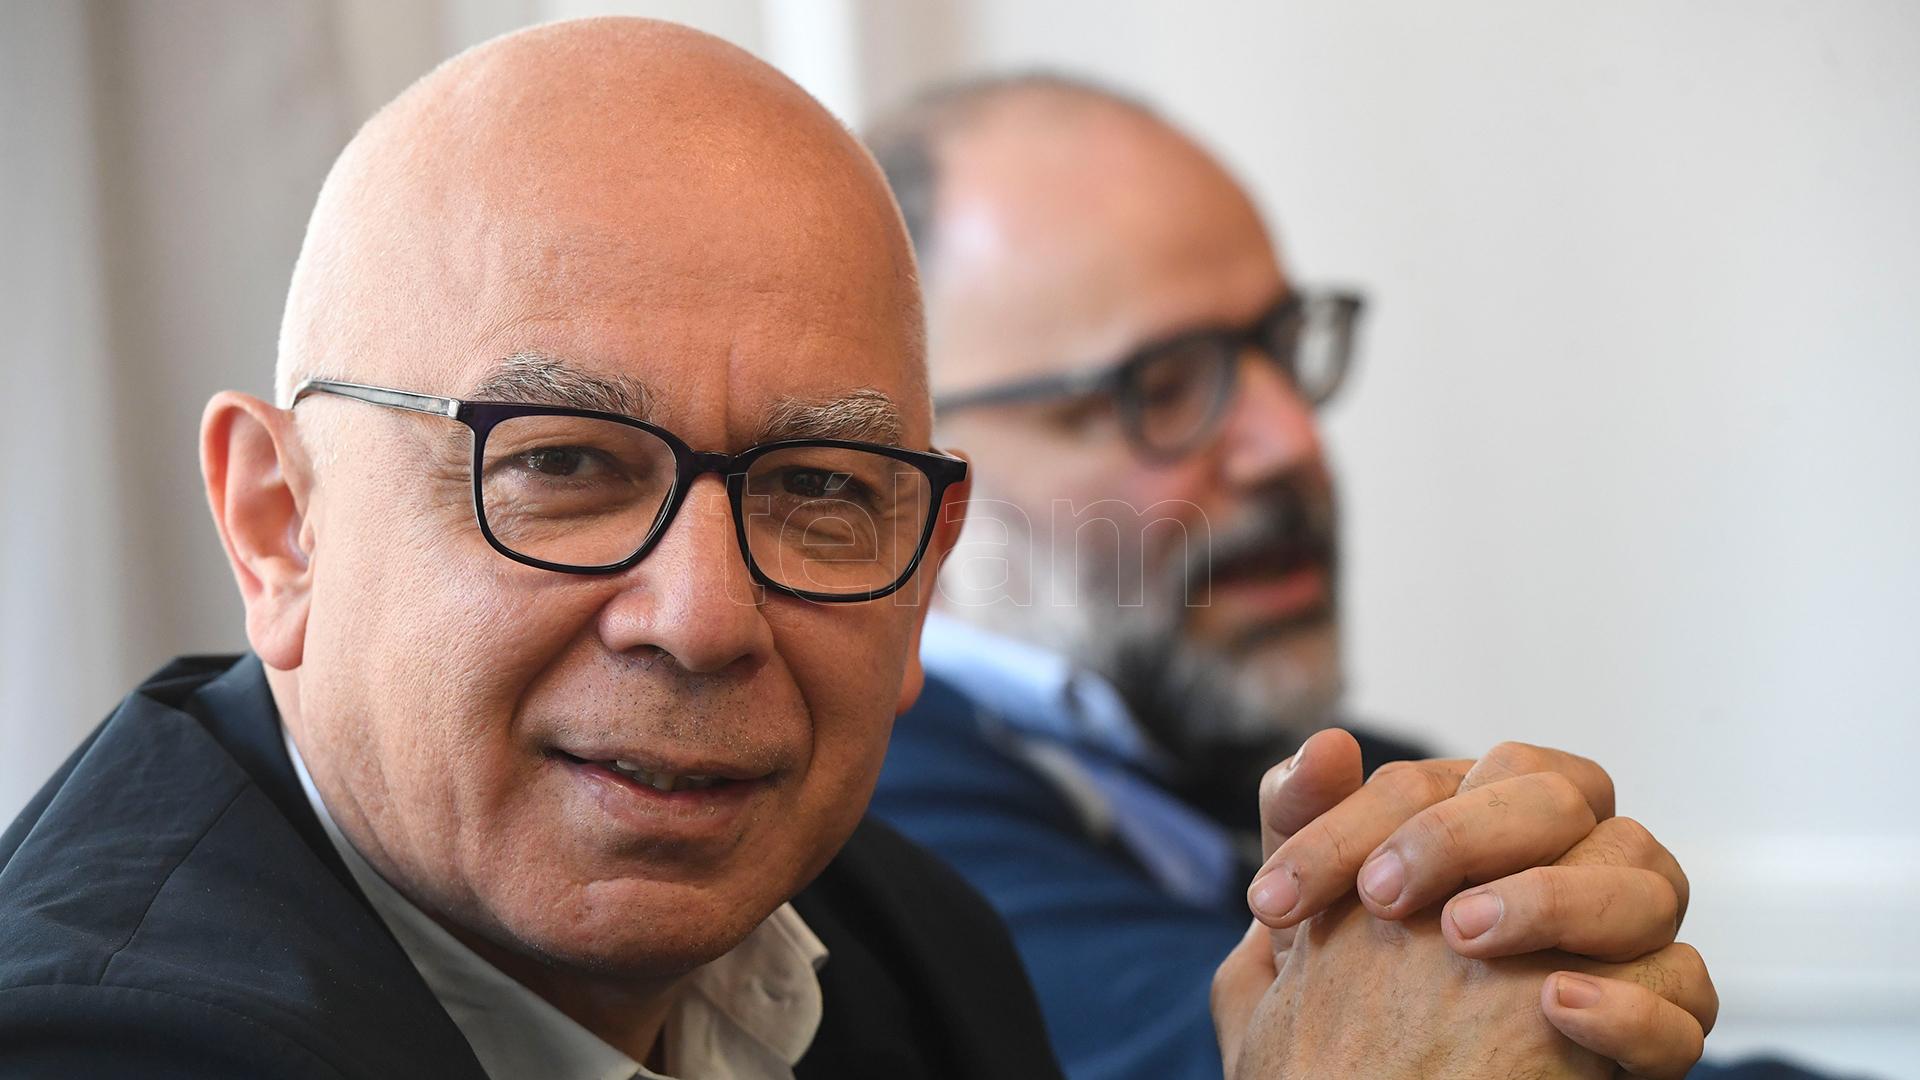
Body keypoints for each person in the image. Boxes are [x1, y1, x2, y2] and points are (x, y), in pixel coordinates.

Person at [1, 21, 1710, 1080]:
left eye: (819, 488)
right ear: (280, 525)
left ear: (923, 574)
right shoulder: (105, 1044)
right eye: (566, 467)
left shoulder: (897, 939)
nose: (703, 616)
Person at [865, 73, 1803, 1080]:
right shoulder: (868, 829)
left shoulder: (1347, 773)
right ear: (922, 466)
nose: (1291, 440)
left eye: (1279, 344)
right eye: (1163, 386)